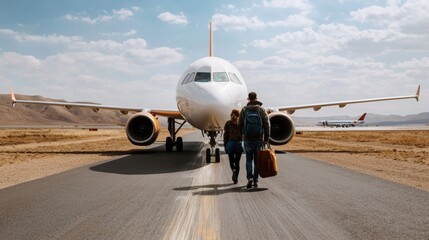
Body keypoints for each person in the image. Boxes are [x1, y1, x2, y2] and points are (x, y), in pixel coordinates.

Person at [239, 92, 270, 189]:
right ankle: (256, 180)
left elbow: (240, 124)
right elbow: (266, 124)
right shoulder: (261, 110)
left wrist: (242, 136)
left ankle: (249, 178)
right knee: (257, 160)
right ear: (256, 98)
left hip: (248, 138)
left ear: (248, 99)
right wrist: (266, 138)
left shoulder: (244, 110)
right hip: (259, 138)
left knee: (248, 159)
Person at [223, 109, 243, 184]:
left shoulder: (227, 123)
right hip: (239, 144)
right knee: (237, 162)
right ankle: (236, 179)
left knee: (231, 161)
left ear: (231, 115)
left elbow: (225, 135)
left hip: (230, 143)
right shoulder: (240, 124)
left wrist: (225, 145)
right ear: (238, 116)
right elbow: (243, 135)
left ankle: (233, 170)